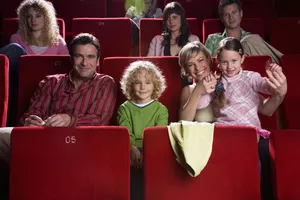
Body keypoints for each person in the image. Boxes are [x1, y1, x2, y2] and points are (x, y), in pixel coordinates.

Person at [179, 39, 287, 139]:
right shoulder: (195, 89)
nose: (197, 67)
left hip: (245, 133)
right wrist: (198, 91)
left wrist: (278, 89)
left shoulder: (231, 81)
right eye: (190, 64)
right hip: (211, 136)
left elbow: (265, 100)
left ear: (209, 60)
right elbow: (185, 120)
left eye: (200, 60)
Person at [19, 33, 117, 126]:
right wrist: (31, 121)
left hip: (84, 140)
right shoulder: (51, 82)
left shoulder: (105, 83)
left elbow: (99, 120)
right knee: (3, 134)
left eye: (90, 57)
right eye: (78, 56)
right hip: (45, 136)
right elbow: (31, 114)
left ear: (97, 61)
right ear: (71, 59)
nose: (84, 63)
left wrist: (70, 120)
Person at [0, 0, 69, 126]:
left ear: (46, 18)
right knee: (15, 49)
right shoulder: (17, 38)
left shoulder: (57, 41)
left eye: (38, 16)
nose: (33, 20)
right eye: (29, 16)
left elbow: (68, 68)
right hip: (20, 83)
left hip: (50, 87)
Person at [118, 60, 168, 168]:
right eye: (137, 82)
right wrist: (132, 148)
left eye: (148, 82)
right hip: (129, 147)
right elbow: (125, 132)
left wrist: (148, 152)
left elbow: (158, 136)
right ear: (130, 85)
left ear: (155, 85)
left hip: (153, 148)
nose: (142, 87)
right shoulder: (124, 108)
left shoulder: (161, 110)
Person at [205, 0, 283, 64]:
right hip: (221, 80)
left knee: (251, 40)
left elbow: (277, 60)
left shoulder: (253, 39)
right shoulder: (213, 39)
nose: (231, 17)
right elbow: (205, 65)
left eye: (234, 12)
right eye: (226, 15)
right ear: (222, 18)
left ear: (241, 13)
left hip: (251, 79)